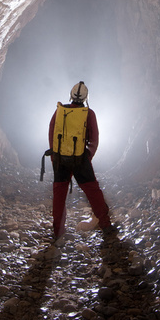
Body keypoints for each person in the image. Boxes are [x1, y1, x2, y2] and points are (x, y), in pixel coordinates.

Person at [48, 81, 113, 239]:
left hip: (60, 158)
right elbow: (94, 140)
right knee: (92, 191)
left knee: (59, 193)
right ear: (86, 98)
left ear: (70, 96)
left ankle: (58, 231)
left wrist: (56, 157)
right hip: (80, 158)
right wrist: (86, 157)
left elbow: (52, 134)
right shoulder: (89, 113)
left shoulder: (60, 111)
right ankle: (105, 225)